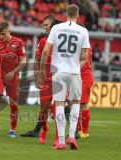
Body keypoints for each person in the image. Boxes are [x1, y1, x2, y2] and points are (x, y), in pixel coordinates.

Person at [39, 4, 90, 150]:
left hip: (58, 72)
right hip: (74, 72)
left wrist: (42, 69)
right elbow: (85, 56)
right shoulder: (83, 31)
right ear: (78, 15)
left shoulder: (56, 28)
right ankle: (72, 137)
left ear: (66, 14)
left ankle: (61, 141)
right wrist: (75, 68)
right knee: (76, 103)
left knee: (59, 104)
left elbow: (45, 52)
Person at [20, 14, 56, 139]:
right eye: (43, 25)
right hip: (46, 78)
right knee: (44, 107)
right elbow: (37, 60)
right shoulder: (42, 41)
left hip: (60, 77)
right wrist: (37, 76)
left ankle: (76, 131)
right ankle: (37, 131)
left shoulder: (61, 40)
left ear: (53, 25)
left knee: (64, 105)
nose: (44, 27)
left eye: (46, 25)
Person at [77, 48, 94, 138]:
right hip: (80, 75)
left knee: (83, 103)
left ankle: (84, 131)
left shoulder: (83, 45)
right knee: (76, 103)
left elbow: (84, 60)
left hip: (84, 76)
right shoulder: (84, 43)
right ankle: (79, 129)